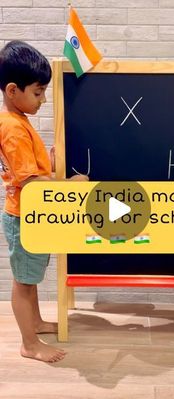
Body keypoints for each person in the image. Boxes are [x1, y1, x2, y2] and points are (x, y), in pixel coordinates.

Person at [0, 41, 88, 363]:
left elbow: (29, 170)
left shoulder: (18, 122)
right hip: (25, 216)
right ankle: (29, 344)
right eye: (38, 93)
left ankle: (34, 323)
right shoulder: (13, 128)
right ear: (13, 90)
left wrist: (48, 164)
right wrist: (68, 185)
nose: (43, 99)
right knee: (24, 282)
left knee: (31, 276)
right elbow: (30, 182)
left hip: (30, 215)